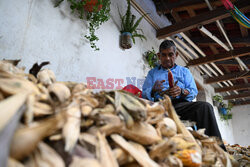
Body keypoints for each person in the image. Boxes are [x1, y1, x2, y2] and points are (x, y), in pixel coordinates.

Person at [142, 40, 226, 150]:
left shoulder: (184, 71)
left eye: (170, 54)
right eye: (164, 55)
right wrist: (153, 90)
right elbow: (144, 93)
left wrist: (182, 91)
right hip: (160, 107)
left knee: (205, 107)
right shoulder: (152, 73)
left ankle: (217, 149)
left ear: (176, 55)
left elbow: (193, 91)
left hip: (181, 106)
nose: (167, 58)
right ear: (159, 56)